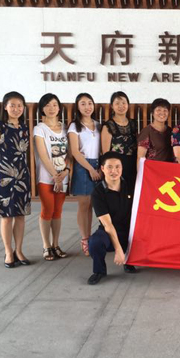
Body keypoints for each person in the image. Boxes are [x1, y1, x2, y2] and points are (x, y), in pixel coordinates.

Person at [0, 91, 31, 268]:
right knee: (6, 216)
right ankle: (8, 251)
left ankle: (19, 250)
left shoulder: (24, 127)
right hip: (4, 175)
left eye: (20, 105)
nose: (16, 109)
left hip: (22, 175)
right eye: (12, 105)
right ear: (5, 107)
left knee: (20, 215)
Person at [87, 152, 137, 285]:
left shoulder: (131, 185)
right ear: (102, 169)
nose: (114, 171)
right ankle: (99, 271)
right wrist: (118, 249)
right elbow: (107, 225)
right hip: (109, 231)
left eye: (117, 167)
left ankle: (130, 261)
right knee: (95, 242)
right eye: (109, 167)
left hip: (131, 231)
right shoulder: (98, 193)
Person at [34, 93, 71, 261]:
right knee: (47, 210)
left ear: (59, 107)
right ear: (42, 108)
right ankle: (46, 245)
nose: (51, 108)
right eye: (47, 105)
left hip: (63, 177)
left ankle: (56, 245)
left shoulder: (65, 128)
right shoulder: (39, 129)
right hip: (46, 177)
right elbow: (43, 155)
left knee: (58, 211)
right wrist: (55, 177)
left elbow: (70, 153)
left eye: (54, 104)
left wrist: (66, 171)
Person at [68, 93, 101, 256]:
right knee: (84, 204)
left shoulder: (98, 125)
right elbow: (75, 151)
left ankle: (95, 237)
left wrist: (100, 167)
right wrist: (90, 169)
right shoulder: (74, 126)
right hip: (83, 165)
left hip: (99, 165)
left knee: (96, 203)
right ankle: (85, 239)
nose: (87, 107)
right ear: (77, 106)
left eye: (90, 103)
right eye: (83, 104)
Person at [101, 91, 137, 185]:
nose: (121, 106)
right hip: (116, 167)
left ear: (128, 105)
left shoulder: (133, 124)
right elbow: (106, 153)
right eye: (117, 103)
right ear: (112, 106)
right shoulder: (108, 126)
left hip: (132, 164)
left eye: (124, 103)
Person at [137, 98, 175, 169]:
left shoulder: (171, 131)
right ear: (152, 113)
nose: (162, 113)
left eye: (165, 110)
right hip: (153, 171)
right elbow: (140, 157)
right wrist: (140, 174)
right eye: (158, 110)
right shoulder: (147, 131)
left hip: (169, 169)